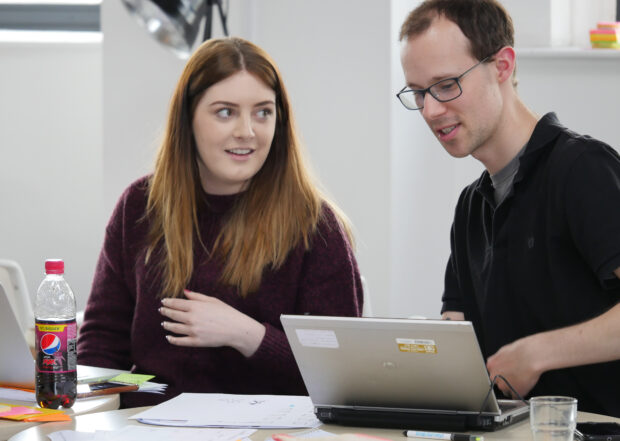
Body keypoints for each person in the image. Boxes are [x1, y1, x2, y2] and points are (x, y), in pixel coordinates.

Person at [77, 37, 363, 408]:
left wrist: (246, 334)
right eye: (225, 112)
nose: (247, 131)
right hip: (149, 425)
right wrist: (91, 411)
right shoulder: (139, 207)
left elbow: (339, 373)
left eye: (263, 112)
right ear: (189, 119)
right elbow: (101, 345)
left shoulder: (315, 225)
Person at [397, 0, 620, 416]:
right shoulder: (470, 208)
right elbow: (456, 335)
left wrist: (539, 352)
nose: (430, 110)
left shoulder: (582, 170)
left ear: (502, 66)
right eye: (418, 93)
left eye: (446, 85)